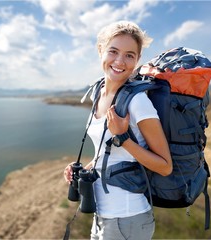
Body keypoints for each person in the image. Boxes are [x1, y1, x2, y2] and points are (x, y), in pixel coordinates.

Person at [63, 21, 172, 240]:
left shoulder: (138, 102)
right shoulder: (98, 93)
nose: (120, 61)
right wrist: (85, 168)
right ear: (100, 50)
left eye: (130, 55)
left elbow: (165, 166)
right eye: (113, 51)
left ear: (137, 60)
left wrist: (123, 137)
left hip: (128, 217)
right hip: (102, 214)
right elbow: (109, 154)